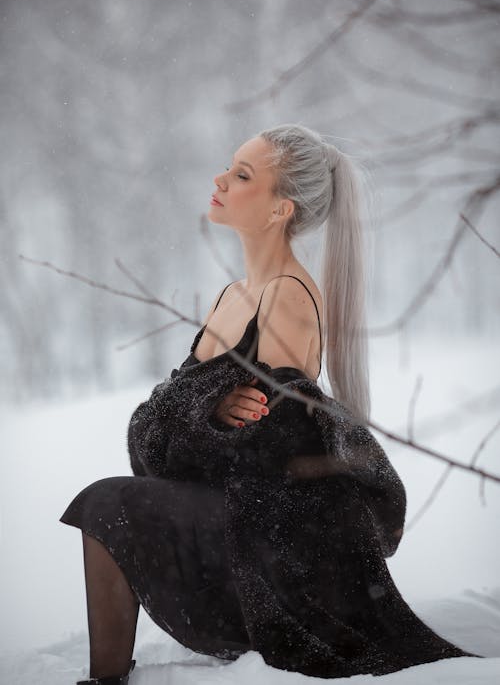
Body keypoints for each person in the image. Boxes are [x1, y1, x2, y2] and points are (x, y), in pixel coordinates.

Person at [60, 124, 480, 683]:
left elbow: (276, 453)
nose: (219, 180)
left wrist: (193, 414)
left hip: (270, 551)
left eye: (241, 175)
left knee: (104, 502)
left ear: (281, 209)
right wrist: (203, 410)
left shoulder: (289, 295)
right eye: (228, 167)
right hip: (230, 516)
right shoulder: (231, 297)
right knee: (108, 502)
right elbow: (157, 439)